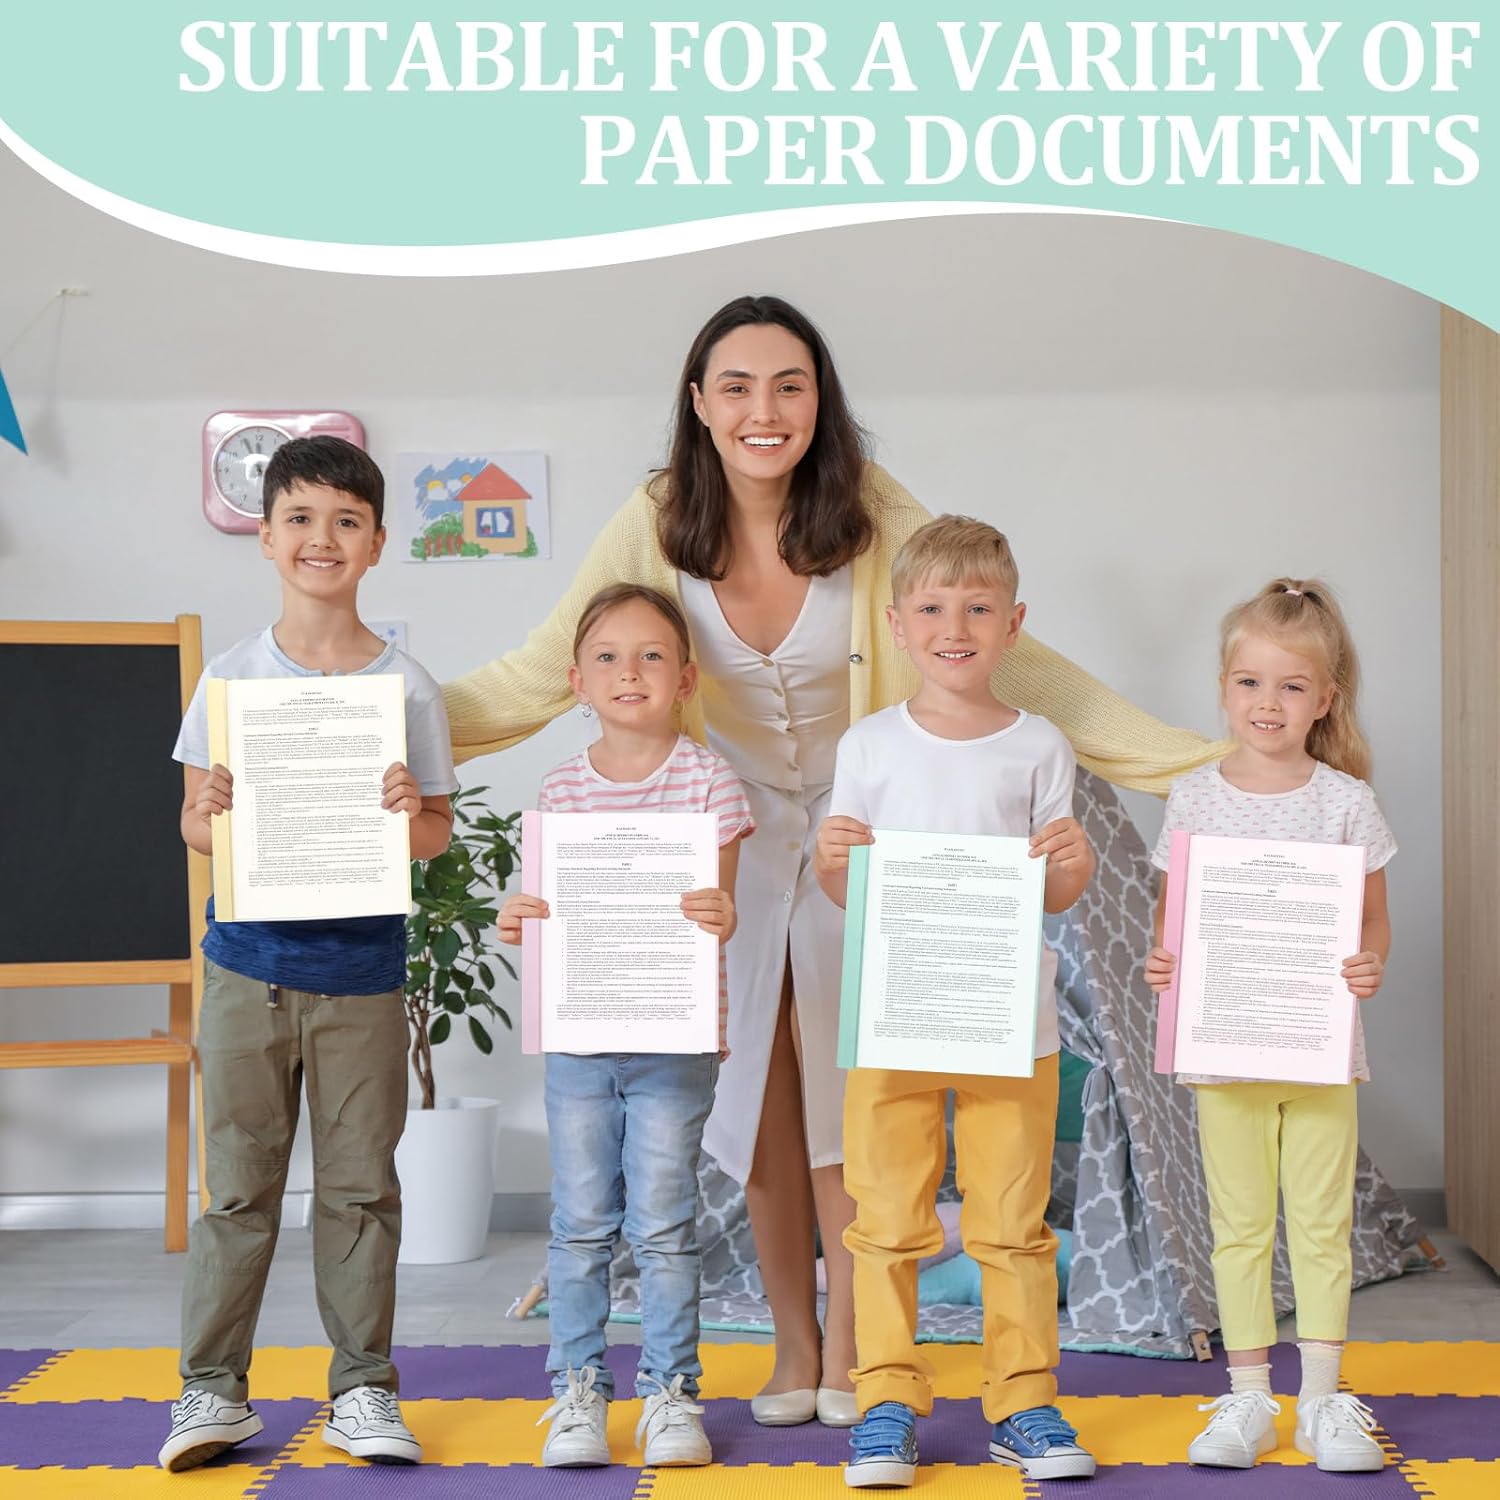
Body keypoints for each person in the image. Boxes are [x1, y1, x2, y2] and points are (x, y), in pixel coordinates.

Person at [443, 294, 1224, 1424]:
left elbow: (1018, 661)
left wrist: (1206, 766)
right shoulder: (657, 518)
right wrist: (389, 726)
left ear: (821, 399)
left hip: (865, 832)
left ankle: (856, 1350)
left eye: (790, 385)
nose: (764, 410)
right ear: (699, 403)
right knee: (759, 1092)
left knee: (853, 1094)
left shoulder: (870, 507)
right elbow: (538, 670)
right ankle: (793, 1346)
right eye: (737, 387)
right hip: (726, 826)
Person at [160, 436, 457, 1473]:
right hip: (245, 970)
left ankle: (363, 1389)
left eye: (345, 521)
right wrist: (210, 809)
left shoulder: (406, 686)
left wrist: (407, 813)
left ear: (376, 542)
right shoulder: (231, 678)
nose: (320, 538)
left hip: (362, 977)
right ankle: (210, 1390)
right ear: (266, 537)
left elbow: (435, 835)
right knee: (237, 1191)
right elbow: (193, 827)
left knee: (360, 1190)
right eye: (299, 518)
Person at [814, 516, 1098, 1487]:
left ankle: (1023, 1403)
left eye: (978, 608)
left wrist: (1073, 863)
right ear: (898, 625)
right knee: (885, 1220)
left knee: (1013, 1224)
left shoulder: (1040, 746)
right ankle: (886, 1400)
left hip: (1010, 1024)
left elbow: (1057, 894)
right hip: (892, 1018)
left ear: (1013, 623)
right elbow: (848, 891)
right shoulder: (868, 746)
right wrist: (831, 862)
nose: (955, 627)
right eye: (933, 608)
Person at [497, 584, 753, 1468]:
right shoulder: (561, 787)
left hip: (674, 1047)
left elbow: (722, 909)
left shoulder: (709, 781)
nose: (629, 672)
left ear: (685, 678)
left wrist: (720, 911)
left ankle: (671, 1396)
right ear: (578, 682)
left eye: (651, 656)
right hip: (579, 1044)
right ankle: (577, 1394)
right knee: (578, 1224)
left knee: (664, 1225)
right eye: (607, 657)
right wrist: (519, 914)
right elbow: (546, 909)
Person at [1145, 578, 1395, 1474]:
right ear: (1224, 688)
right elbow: (1174, 920)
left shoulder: (1345, 801)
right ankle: (1248, 1397)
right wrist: (1165, 962)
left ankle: (1322, 1401)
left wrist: (1369, 964)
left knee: (1322, 1226)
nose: (1268, 702)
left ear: (1324, 698)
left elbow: (1373, 922)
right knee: (1240, 1226)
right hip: (1225, 1053)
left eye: (1292, 686)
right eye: (1250, 682)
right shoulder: (1193, 797)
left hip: (1320, 1054)